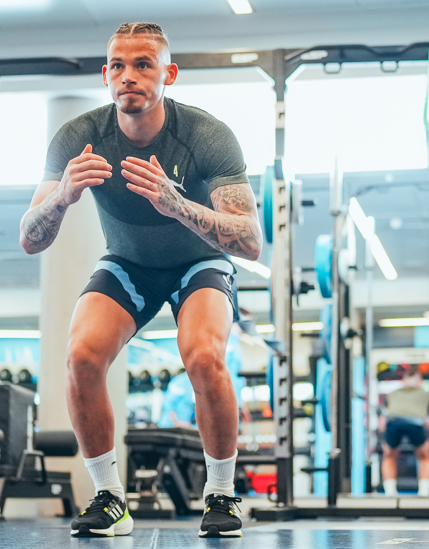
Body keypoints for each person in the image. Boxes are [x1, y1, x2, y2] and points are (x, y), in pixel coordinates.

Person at [19, 22, 260, 538]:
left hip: (199, 263)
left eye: (143, 65)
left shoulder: (205, 135)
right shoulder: (79, 136)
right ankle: (109, 499)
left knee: (203, 355)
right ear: (106, 75)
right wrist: (61, 197)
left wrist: (179, 206)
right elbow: (30, 238)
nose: (129, 76)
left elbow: (249, 240)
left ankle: (221, 494)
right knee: (81, 355)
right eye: (118, 67)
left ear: (168, 74)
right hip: (128, 264)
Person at [379, 365, 429, 497]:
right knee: (424, 455)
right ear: (420, 381)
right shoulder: (427, 394)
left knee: (389, 455)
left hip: (394, 422)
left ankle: (390, 492)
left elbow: (382, 420)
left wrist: (384, 434)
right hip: (415, 423)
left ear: (404, 381)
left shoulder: (393, 394)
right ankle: (424, 492)